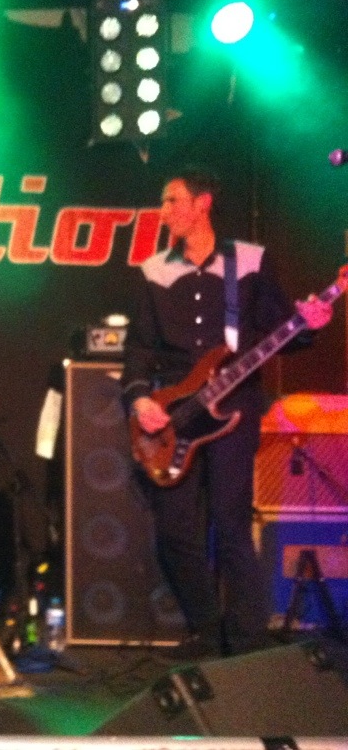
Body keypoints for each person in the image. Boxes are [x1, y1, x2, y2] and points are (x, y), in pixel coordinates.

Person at [121, 168, 332, 658]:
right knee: (174, 530)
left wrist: (311, 325)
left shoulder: (250, 261)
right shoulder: (154, 271)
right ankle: (206, 629)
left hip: (234, 409)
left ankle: (247, 643)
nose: (164, 211)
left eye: (172, 201)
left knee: (231, 523)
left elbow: (284, 331)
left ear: (202, 204)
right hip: (176, 416)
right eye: (163, 202)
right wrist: (141, 399)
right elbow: (139, 348)